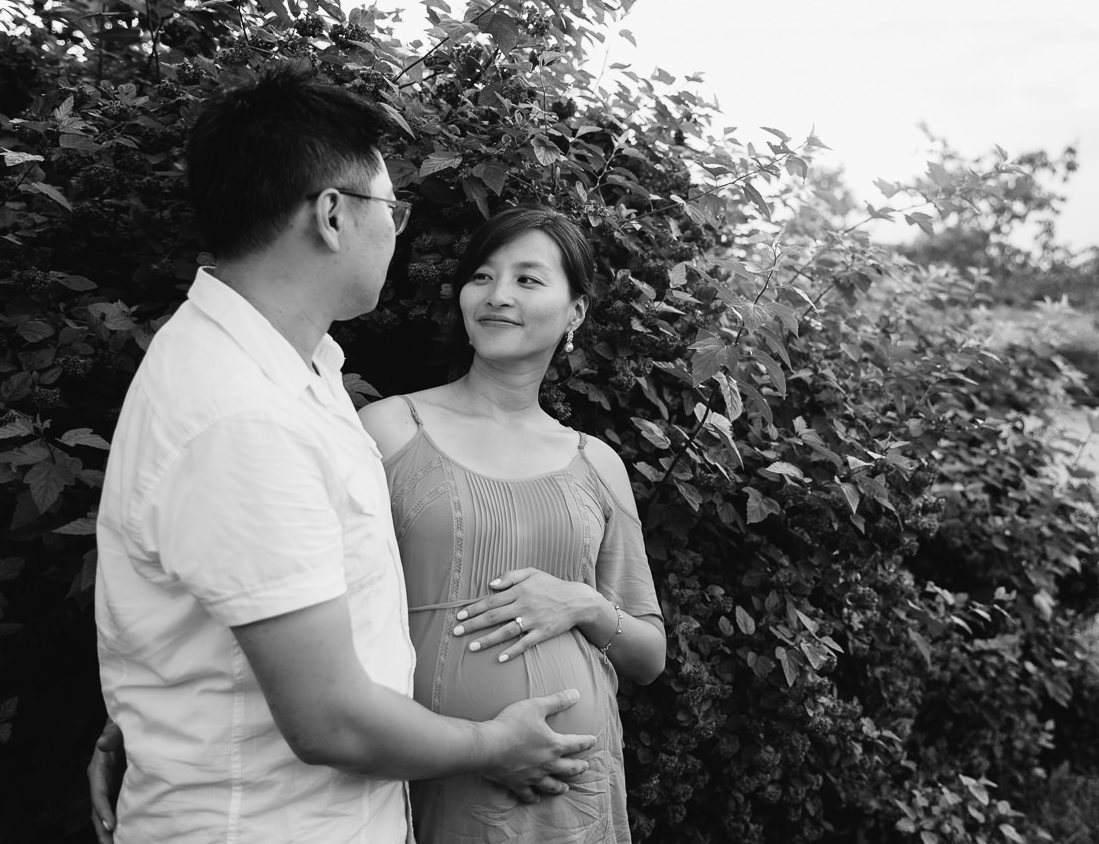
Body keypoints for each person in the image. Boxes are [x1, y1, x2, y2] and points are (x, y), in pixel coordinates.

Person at [88, 66, 595, 844]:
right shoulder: (243, 413)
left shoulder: (297, 372)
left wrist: (150, 713)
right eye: (392, 208)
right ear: (332, 215)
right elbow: (328, 721)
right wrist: (494, 744)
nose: (399, 229)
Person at [358, 206, 666, 843]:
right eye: (482, 276)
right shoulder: (388, 429)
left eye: (528, 280)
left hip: (569, 793)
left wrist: (583, 603)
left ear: (575, 312)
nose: (498, 296)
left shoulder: (596, 463)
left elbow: (650, 656)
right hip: (430, 776)